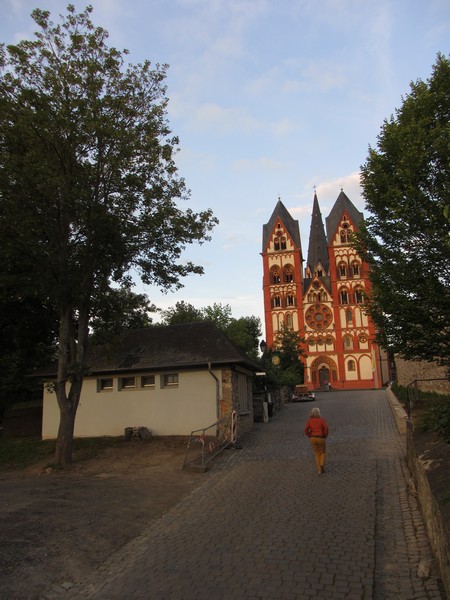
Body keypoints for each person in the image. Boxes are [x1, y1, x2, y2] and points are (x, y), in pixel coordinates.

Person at [304, 407, 329, 474]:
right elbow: (326, 428)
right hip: (321, 438)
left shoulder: (309, 420)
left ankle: (319, 470)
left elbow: (306, 429)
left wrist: (309, 435)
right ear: (319, 413)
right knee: (323, 452)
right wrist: (325, 435)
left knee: (317, 453)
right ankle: (321, 464)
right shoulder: (321, 420)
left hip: (313, 438)